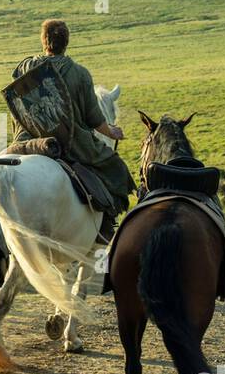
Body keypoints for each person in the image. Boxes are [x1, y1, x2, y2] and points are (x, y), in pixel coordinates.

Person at [10, 20, 135, 234]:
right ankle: (105, 227)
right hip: (71, 142)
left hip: (28, 140)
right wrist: (112, 132)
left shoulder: (25, 67)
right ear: (66, 42)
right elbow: (93, 118)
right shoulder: (79, 74)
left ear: (43, 41)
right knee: (116, 169)